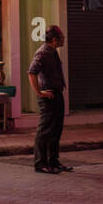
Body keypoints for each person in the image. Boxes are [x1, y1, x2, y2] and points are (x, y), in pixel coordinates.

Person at [28, 25, 71, 174]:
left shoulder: (53, 52)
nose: (64, 40)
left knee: (56, 129)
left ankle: (53, 161)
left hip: (57, 93)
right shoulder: (42, 53)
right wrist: (39, 93)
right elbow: (31, 72)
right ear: (54, 40)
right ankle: (40, 163)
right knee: (45, 130)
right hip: (49, 95)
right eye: (62, 38)